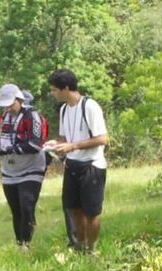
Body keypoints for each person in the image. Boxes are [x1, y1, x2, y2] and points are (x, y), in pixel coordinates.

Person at [46, 69, 108, 252]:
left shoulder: (89, 106)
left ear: (66, 88)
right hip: (72, 165)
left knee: (91, 212)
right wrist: (56, 144)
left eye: (54, 90)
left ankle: (92, 249)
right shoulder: (64, 109)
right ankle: (79, 246)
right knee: (73, 209)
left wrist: (73, 146)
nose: (52, 94)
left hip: (92, 166)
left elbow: (102, 139)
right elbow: (67, 139)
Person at [0, 84, 47, 250]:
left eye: (10, 104)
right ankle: (19, 244)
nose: (7, 108)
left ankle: (27, 244)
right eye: (4, 105)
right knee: (15, 209)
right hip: (9, 169)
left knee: (26, 205)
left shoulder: (32, 117)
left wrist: (9, 149)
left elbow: (36, 144)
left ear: (19, 100)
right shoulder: (1, 118)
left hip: (31, 167)